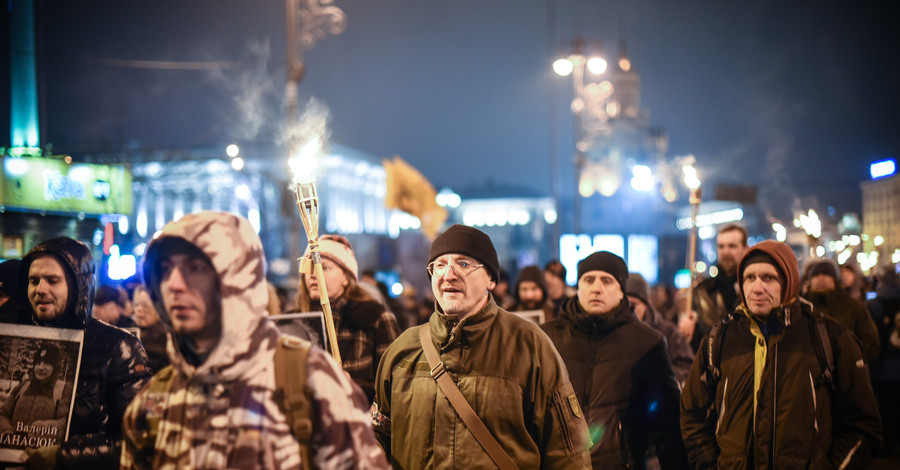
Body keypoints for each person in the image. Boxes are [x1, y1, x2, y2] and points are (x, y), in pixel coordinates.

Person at [121, 211, 387, 469]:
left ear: (238, 277)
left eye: (196, 267)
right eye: (166, 269)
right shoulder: (153, 404)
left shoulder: (311, 381)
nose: (175, 284)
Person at [372, 224, 591, 468]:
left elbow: (568, 452)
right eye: (440, 265)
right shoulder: (402, 350)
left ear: (491, 279)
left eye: (464, 264)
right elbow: (377, 438)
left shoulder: (530, 346)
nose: (449, 274)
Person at [681, 240, 883, 469]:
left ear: (789, 282)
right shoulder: (718, 339)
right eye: (749, 278)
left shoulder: (830, 337)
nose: (757, 288)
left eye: (768, 278)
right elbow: (692, 415)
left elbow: (863, 427)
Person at [0, 237, 151, 469]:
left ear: (78, 284)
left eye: (52, 280)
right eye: (33, 280)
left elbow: (139, 441)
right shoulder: (8, 338)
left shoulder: (118, 347)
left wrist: (64, 456)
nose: (40, 289)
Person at [541, 252, 688, 469]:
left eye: (607, 281)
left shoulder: (647, 343)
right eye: (589, 280)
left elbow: (668, 428)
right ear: (578, 287)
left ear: (621, 291)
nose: (597, 288)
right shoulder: (546, 338)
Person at [290, 234, 400, 402]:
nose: (313, 274)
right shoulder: (292, 323)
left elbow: (396, 384)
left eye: (324, 268)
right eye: (309, 268)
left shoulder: (376, 318)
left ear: (346, 278)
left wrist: (352, 385)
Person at [803, 259, 881, 362]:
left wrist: (849, 360)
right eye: (816, 275)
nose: (821, 278)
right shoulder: (802, 307)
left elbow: (871, 343)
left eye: (826, 274)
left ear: (835, 279)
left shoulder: (852, 307)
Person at [626, 272, 694, 385]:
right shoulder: (614, 331)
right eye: (624, 304)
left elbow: (687, 368)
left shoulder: (668, 333)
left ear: (645, 305)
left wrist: (659, 376)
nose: (629, 310)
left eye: (633, 306)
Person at [0, 343, 72, 442]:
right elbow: (3, 414)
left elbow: (66, 422)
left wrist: (41, 429)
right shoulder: (22, 387)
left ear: (56, 367)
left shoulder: (64, 389)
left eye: (46, 363)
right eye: (38, 363)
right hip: (11, 448)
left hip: (39, 454)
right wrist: (6, 431)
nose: (40, 367)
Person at [868, 264, 900, 457]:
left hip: (884, 366)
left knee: (887, 405)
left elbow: (871, 338)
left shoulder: (873, 305)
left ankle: (890, 444)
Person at [690, 224, 748, 332]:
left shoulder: (753, 289)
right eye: (721, 246)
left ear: (745, 249)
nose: (725, 252)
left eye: (732, 246)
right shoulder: (701, 291)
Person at [132, 284, 169, 373]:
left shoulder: (165, 338)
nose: (139, 309)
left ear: (159, 308)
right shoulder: (130, 332)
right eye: (136, 305)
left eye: (146, 306)